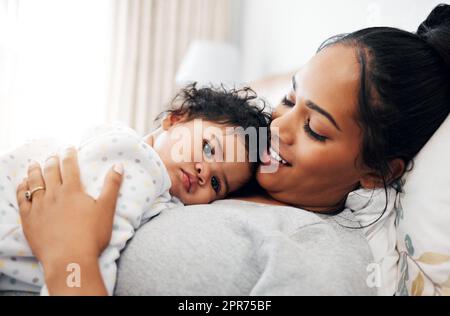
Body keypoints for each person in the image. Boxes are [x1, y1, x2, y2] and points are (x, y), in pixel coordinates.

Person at [14, 4, 450, 295]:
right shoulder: (239, 171)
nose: (277, 128)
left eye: (315, 128)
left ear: (378, 171)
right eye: (289, 98)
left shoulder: (319, 264)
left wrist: (68, 260)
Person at [0, 84, 270, 294]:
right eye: (208, 148)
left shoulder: (159, 189)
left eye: (216, 183)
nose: (205, 172)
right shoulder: (140, 162)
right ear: (175, 120)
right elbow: (98, 251)